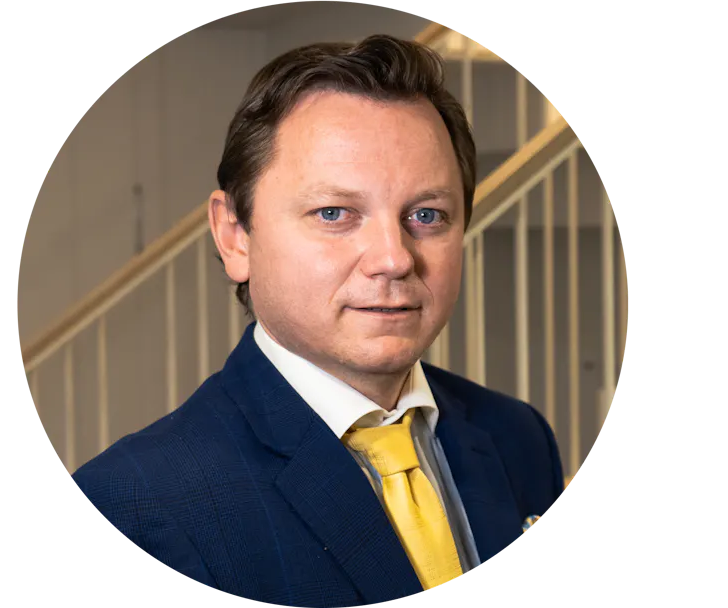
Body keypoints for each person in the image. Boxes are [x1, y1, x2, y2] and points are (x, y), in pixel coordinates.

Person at [71, 34, 563, 607]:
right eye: (334, 213)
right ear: (235, 237)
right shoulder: (134, 504)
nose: (394, 258)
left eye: (427, 215)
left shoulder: (519, 437)